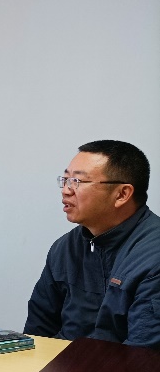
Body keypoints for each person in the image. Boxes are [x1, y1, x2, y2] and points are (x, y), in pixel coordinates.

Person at [24, 140, 160, 348]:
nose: (66, 190)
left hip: (123, 368)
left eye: (77, 181)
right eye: (65, 179)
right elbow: (37, 335)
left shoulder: (153, 256)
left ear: (122, 194)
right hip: (62, 364)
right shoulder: (64, 248)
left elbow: (143, 356)